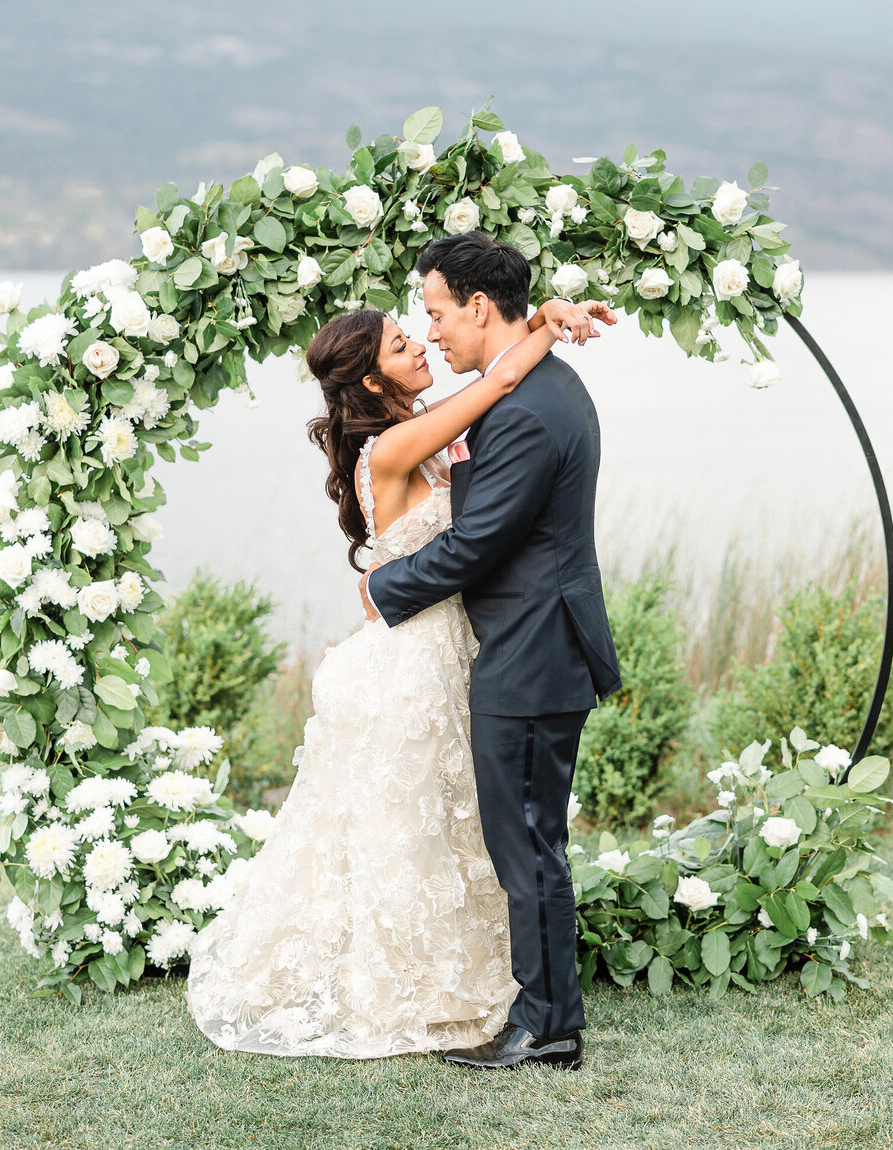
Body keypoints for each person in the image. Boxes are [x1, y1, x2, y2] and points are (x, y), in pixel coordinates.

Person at [185, 275, 614, 1060]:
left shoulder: (423, 431)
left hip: (453, 650)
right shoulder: (394, 444)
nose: (421, 340)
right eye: (400, 341)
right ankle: (412, 985)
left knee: (449, 829)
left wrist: (542, 317)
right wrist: (549, 322)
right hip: (410, 658)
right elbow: (503, 377)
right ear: (375, 380)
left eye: (423, 325)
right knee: (408, 830)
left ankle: (494, 990)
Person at [361, 232, 622, 1071]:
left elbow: (475, 544)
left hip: (532, 652)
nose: (431, 332)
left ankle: (547, 1028)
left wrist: (383, 590)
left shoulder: (529, 412)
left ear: (478, 306)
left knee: (528, 844)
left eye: (435, 313)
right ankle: (544, 1012)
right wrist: (549, 321)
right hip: (532, 644)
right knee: (528, 839)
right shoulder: (535, 385)